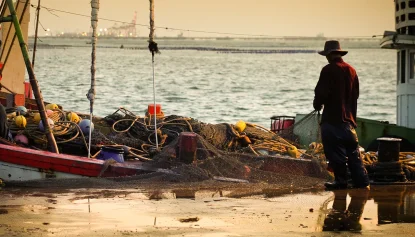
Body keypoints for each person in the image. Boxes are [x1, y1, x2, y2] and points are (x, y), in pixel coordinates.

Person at [313, 40, 370, 190]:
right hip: (349, 124)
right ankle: (363, 183)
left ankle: (340, 181)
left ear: (329, 55)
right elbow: (356, 95)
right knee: (354, 156)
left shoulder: (328, 70)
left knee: (336, 155)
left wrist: (317, 105)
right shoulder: (352, 70)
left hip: (332, 121)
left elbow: (320, 93)